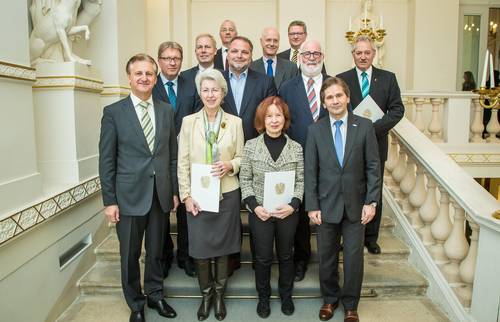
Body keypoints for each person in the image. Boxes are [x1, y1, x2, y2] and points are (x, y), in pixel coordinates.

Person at [99, 54, 178, 322]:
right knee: (130, 254)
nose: (144, 78)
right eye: (139, 74)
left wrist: (175, 191)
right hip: (128, 197)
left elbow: (172, 156)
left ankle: (155, 295)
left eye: (149, 74)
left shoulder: (166, 110)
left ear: (155, 78)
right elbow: (107, 160)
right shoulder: (113, 113)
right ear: (130, 77)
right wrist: (109, 201)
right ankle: (135, 304)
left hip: (160, 195)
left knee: (156, 252)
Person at [305, 77, 381, 322]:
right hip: (325, 206)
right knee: (326, 257)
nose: (335, 101)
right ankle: (329, 299)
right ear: (324, 103)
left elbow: (373, 167)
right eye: (329, 97)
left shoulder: (365, 126)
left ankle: (351, 305)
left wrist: (372, 202)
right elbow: (310, 171)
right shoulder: (315, 130)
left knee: (353, 259)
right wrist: (312, 205)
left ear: (348, 98)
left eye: (339, 95)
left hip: (356, 207)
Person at [177, 68, 244, 321]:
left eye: (215, 89)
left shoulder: (235, 122)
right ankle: (206, 295)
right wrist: (185, 195)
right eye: (205, 90)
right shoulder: (188, 122)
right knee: (202, 247)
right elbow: (182, 162)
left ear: (223, 93)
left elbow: (241, 157)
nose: (210, 94)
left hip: (227, 192)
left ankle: (219, 295)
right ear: (200, 93)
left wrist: (230, 165)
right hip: (198, 196)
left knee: (225, 247)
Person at [337, 35, 404, 255]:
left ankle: (371, 238)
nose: (363, 56)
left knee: (373, 191)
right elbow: (336, 109)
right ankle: (347, 236)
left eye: (367, 52)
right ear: (353, 54)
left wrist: (373, 129)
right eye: (359, 52)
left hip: (376, 143)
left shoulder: (388, 79)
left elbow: (397, 109)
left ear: (374, 54)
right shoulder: (342, 79)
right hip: (348, 146)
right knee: (349, 191)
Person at [240, 96, 304, 318]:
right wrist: (254, 206)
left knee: (286, 256)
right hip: (261, 213)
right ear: (262, 119)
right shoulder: (250, 146)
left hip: (287, 213)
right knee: (263, 258)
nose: (274, 120)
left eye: (278, 115)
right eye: (269, 116)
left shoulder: (296, 148)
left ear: (284, 119)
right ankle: (264, 298)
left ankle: (286, 296)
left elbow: (301, 181)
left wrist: (294, 204)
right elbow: (245, 180)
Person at [222, 35, 277, 273]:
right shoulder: (217, 80)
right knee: (231, 209)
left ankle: (259, 257)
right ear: (227, 54)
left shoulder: (265, 81)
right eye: (234, 51)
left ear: (251, 55)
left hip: (258, 152)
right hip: (225, 156)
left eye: (244, 52)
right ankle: (231, 257)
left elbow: (270, 114)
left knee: (258, 207)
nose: (239, 56)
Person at [278, 39, 330, 282]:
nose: (311, 57)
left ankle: (329, 262)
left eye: (315, 53)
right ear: (299, 57)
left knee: (328, 213)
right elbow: (283, 123)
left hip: (329, 163)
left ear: (322, 56)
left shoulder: (334, 85)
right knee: (298, 216)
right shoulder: (287, 88)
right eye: (306, 53)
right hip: (297, 160)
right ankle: (301, 259)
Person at [152, 41, 198, 277]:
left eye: (176, 58)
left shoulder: (191, 85)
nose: (172, 62)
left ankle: (186, 255)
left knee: (185, 210)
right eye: (167, 58)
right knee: (160, 209)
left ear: (182, 61)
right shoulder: (150, 85)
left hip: (187, 158)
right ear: (159, 60)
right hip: (159, 158)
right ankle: (164, 254)